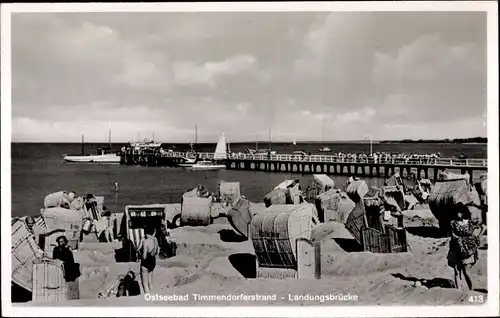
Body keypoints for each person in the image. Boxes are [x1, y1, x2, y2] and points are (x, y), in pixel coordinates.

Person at [447, 207, 482, 291]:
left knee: (466, 271)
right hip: (455, 248)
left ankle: (472, 290)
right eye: (457, 212)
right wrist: (457, 238)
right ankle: (458, 290)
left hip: (467, 250)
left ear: (463, 212)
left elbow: (482, 227)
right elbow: (451, 234)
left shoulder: (469, 222)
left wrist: (477, 237)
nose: (458, 214)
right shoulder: (453, 223)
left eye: (460, 212)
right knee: (457, 270)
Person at [137, 225, 159, 294]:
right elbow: (157, 252)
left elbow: (144, 256)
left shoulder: (145, 241)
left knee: (145, 284)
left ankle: (148, 299)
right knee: (150, 283)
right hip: (153, 261)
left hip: (146, 262)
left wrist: (139, 250)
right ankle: (153, 295)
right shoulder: (155, 240)